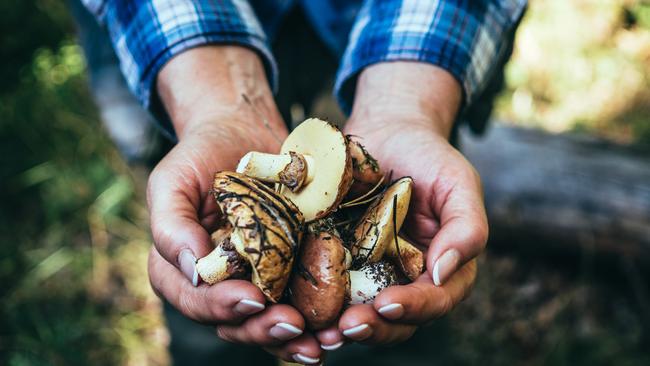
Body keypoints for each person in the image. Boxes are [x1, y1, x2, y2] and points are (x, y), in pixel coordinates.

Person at [73, 0, 526, 364]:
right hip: (168, 42)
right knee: (199, 260)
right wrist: (213, 101)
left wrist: (408, 103)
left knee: (392, 329)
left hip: (378, 30)